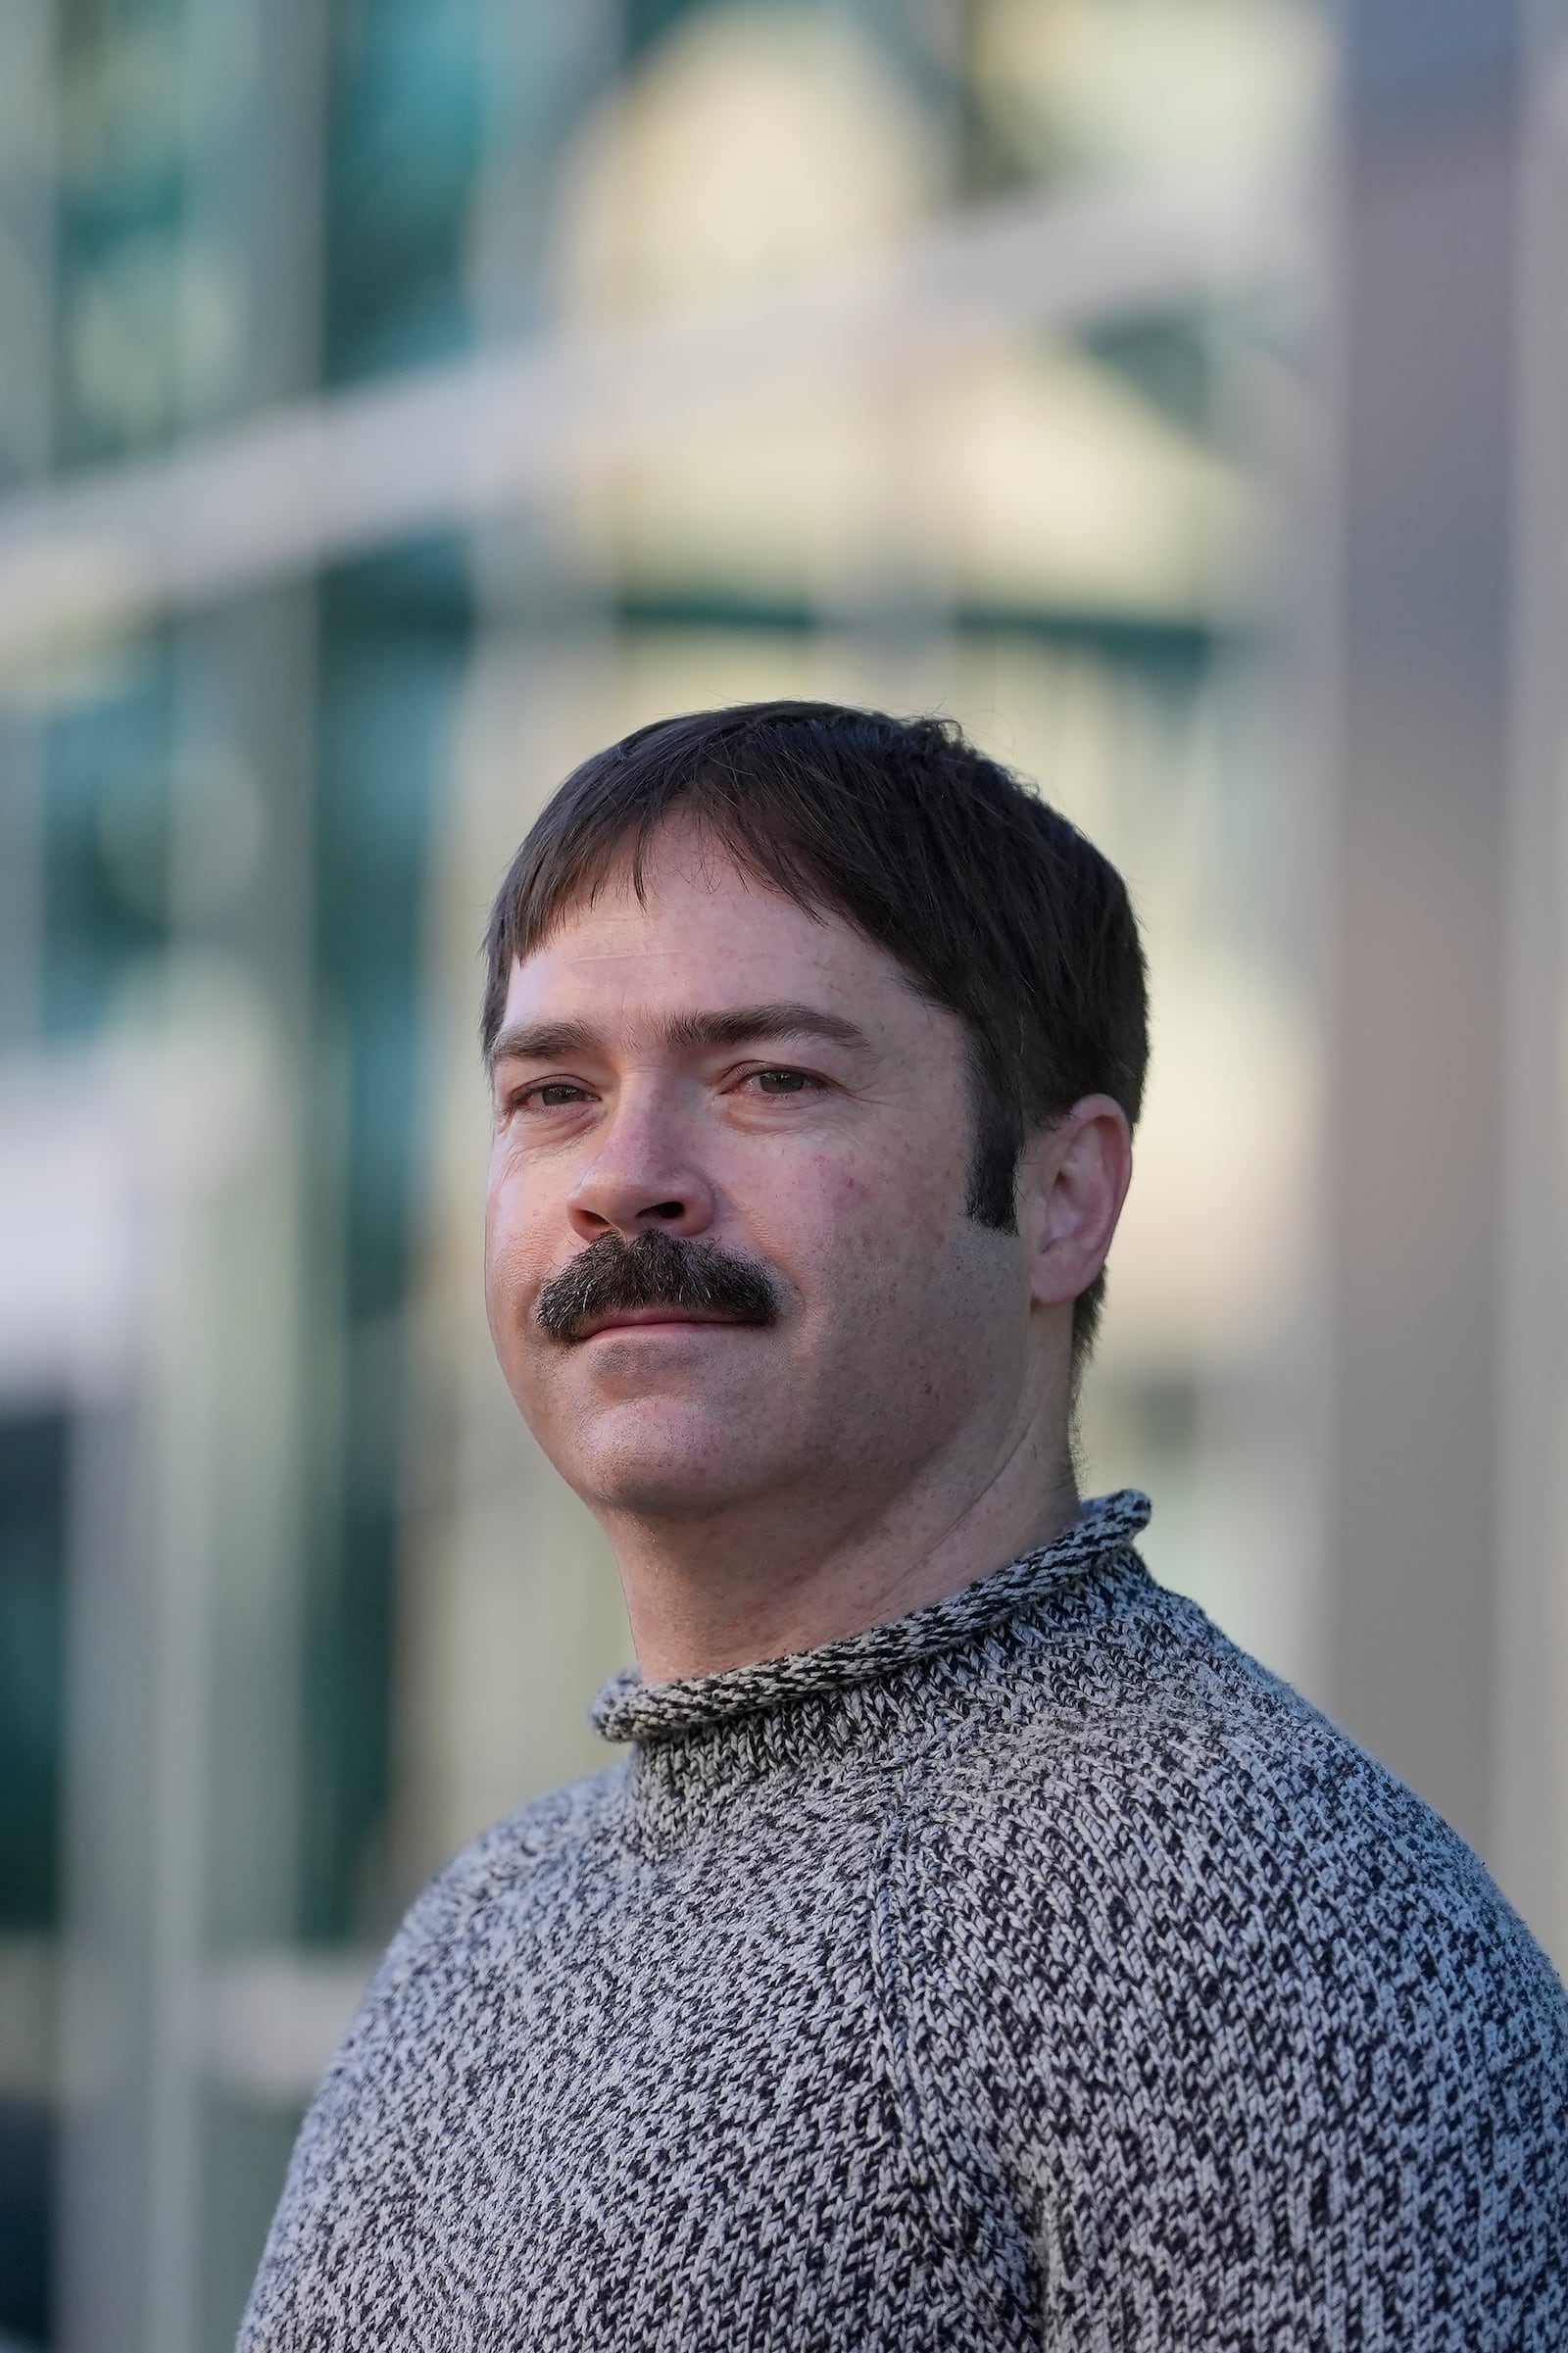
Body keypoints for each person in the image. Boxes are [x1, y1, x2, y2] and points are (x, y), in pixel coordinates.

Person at [240, 702, 1568, 2352]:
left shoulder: (1267, 1926)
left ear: (1064, 1197)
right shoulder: (487, 1921)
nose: (628, 1175)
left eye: (770, 1076)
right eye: (555, 1090)